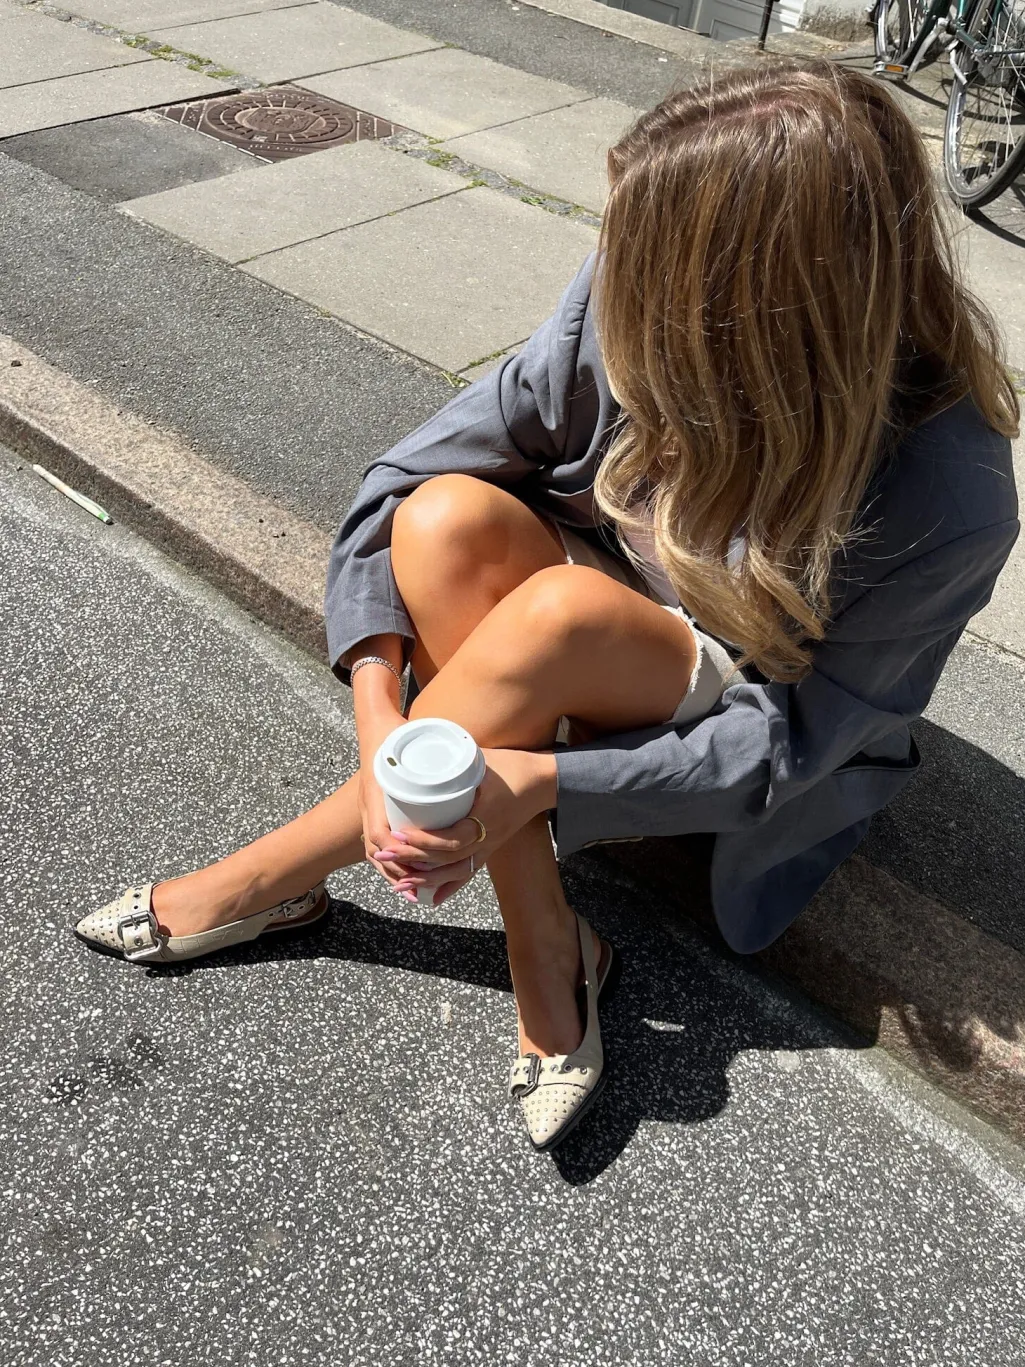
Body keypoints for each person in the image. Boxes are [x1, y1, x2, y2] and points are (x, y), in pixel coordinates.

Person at [76, 62, 1019, 1154]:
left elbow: (791, 744)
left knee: (562, 610)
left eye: (651, 268)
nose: (615, 284)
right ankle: (548, 943)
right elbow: (404, 479)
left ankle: (271, 877)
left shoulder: (946, 492)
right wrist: (381, 720)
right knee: (442, 521)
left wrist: (534, 779)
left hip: (731, 697)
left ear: (758, 304)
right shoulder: (630, 279)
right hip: (579, 614)